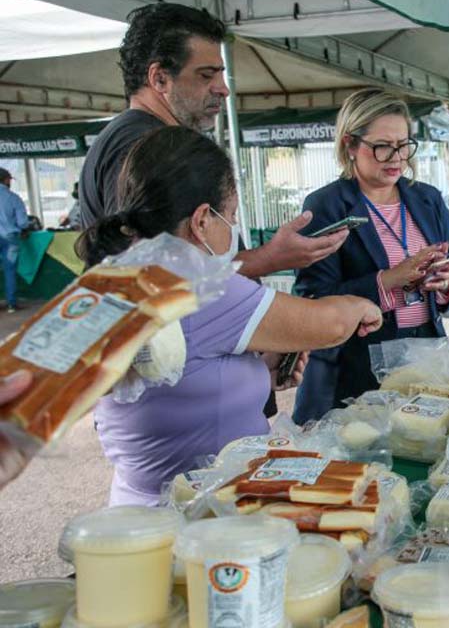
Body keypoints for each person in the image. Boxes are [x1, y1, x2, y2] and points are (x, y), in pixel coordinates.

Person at [80, 127, 383, 506]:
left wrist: (258, 372)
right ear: (202, 219)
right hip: (203, 515)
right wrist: (363, 304)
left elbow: (178, 377)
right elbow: (330, 324)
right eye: (232, 215)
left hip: (139, 507)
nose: (234, 229)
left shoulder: (120, 277)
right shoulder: (198, 283)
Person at [78, 3, 345, 280]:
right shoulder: (138, 143)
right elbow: (146, 275)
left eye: (221, 74)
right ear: (159, 78)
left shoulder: (161, 140)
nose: (223, 88)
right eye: (206, 75)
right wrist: (268, 259)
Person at [293, 88, 449, 423]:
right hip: (356, 366)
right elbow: (314, 298)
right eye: (382, 146)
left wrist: (447, 282)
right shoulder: (326, 206)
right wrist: (387, 281)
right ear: (350, 144)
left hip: (425, 358)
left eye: (403, 145)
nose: (396, 158)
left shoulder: (427, 199)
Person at [0, 168, 29, 313]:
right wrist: (23, 229)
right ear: (6, 180)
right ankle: (11, 304)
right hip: (10, 238)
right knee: (9, 271)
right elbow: (23, 222)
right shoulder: (13, 198)